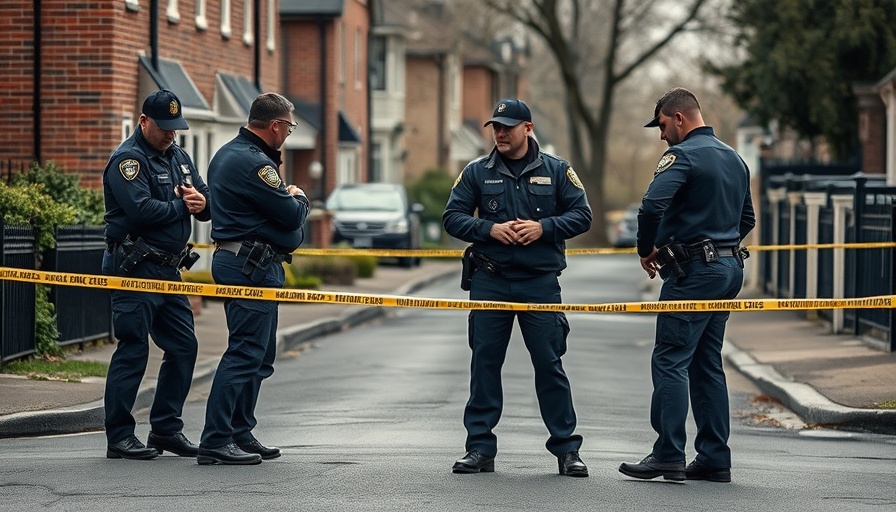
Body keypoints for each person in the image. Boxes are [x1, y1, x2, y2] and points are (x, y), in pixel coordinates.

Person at [443, 99, 593, 477]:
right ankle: (479, 449)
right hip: (490, 280)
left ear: (528, 128)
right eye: (495, 126)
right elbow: (452, 217)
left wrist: (545, 228)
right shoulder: (476, 172)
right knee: (484, 365)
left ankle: (567, 451)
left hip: (540, 284)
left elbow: (582, 215)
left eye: (507, 126)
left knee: (549, 365)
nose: (500, 133)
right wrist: (488, 229)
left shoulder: (558, 171)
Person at [618, 87, 755, 483]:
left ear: (679, 118)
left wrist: (648, 249)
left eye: (661, 125)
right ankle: (714, 458)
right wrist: (722, 245)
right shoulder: (734, 157)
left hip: (695, 274)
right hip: (729, 269)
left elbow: (651, 206)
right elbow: (747, 219)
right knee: (706, 362)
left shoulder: (682, 155)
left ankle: (668, 454)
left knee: (670, 359)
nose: (661, 135)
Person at [197, 92, 310, 465]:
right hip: (248, 265)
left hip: (252, 262)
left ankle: (239, 430)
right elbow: (291, 218)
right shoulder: (253, 163)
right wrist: (300, 198)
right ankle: (216, 439)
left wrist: (286, 216)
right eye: (290, 127)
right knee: (245, 352)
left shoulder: (235, 154)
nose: (289, 134)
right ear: (275, 126)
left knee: (260, 355)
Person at [101, 89, 210, 460]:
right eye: (163, 127)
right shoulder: (127, 160)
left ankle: (165, 429)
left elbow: (204, 194)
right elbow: (141, 210)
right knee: (133, 349)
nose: (170, 134)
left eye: (175, 128)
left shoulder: (178, 156)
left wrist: (204, 203)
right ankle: (119, 436)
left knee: (184, 346)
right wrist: (184, 206)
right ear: (143, 121)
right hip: (135, 267)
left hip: (168, 270)